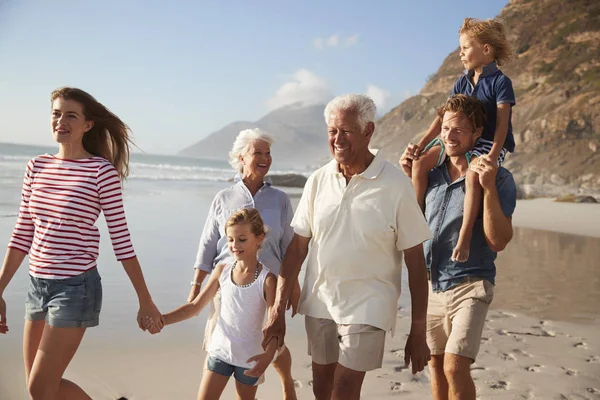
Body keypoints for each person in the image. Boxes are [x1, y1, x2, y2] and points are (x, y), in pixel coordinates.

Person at [262, 94, 432, 400]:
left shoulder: (394, 184)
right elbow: (297, 249)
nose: (337, 139)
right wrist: (277, 310)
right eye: (332, 131)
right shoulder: (317, 181)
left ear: (368, 131)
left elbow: (416, 261)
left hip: (370, 304)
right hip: (320, 301)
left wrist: (418, 330)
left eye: (346, 131)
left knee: (342, 392)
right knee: (323, 392)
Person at [0, 87, 163, 399]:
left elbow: (122, 242)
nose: (61, 120)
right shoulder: (36, 167)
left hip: (75, 287)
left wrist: (145, 299)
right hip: (37, 284)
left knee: (40, 388)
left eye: (70, 115)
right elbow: (22, 232)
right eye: (56, 114)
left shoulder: (101, 172)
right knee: (40, 389)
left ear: (88, 124)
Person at [400, 94, 517, 400]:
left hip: (471, 284)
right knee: (436, 365)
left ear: (477, 133)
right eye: (446, 129)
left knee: (454, 366)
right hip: (431, 286)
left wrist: (489, 187)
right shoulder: (431, 176)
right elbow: (408, 219)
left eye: (458, 130)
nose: (449, 136)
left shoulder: (500, 178)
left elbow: (498, 241)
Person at [187, 128, 298, 399]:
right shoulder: (223, 198)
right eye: (257, 152)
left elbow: (290, 247)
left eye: (268, 153)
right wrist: (196, 285)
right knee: (219, 341)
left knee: (271, 339)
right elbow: (208, 243)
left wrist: (292, 286)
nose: (264, 158)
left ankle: (286, 382)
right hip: (228, 283)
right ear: (241, 157)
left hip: (267, 284)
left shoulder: (280, 200)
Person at [405, 17, 515, 264]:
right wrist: (420, 146)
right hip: (458, 136)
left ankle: (464, 236)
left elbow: (502, 124)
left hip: (487, 142)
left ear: (485, 49)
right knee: (420, 163)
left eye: (465, 48)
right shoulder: (462, 81)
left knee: (473, 176)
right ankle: (415, 223)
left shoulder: (501, 82)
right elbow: (444, 117)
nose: (461, 54)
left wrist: (493, 155)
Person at [151, 208, 278, 400]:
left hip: (251, 357)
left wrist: (268, 355)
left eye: (242, 239)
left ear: (259, 238)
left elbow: (274, 324)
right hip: (220, 351)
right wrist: (162, 320)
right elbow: (194, 307)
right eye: (230, 239)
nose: (234, 245)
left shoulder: (267, 280)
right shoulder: (222, 271)